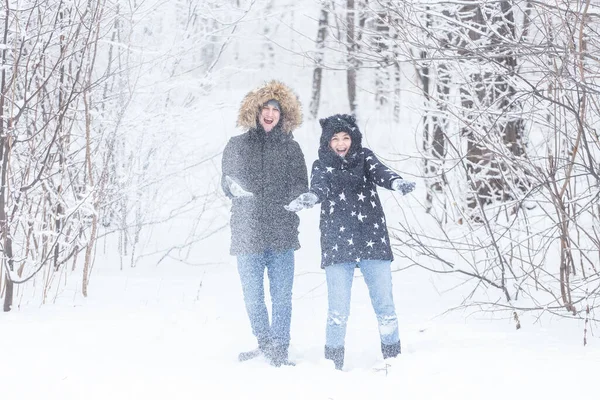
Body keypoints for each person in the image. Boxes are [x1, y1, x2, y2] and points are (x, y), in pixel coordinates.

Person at [285, 114, 415, 370]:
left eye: (346, 137)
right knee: (337, 312)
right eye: (335, 139)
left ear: (353, 139)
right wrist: (310, 197)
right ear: (327, 142)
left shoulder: (364, 157)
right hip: (338, 242)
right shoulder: (322, 165)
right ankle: (332, 366)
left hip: (372, 239)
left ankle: (393, 360)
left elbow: (382, 173)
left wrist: (397, 182)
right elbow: (319, 187)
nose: (342, 143)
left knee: (385, 307)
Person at [221, 80, 308, 367]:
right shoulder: (237, 146)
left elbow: (301, 186)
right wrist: (232, 187)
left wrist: (299, 199)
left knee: (282, 297)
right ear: (256, 112)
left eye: (276, 109)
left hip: (282, 233)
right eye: (266, 108)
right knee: (253, 297)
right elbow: (227, 180)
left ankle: (280, 347)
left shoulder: (292, 150)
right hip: (248, 234)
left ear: (284, 116)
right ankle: (265, 343)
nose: (270, 113)